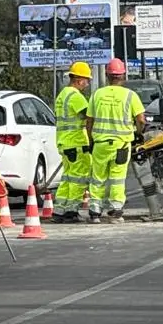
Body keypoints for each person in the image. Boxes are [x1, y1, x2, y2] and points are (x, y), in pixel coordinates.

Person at [85, 58, 146, 223]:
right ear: (123, 76)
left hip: (100, 144)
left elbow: (89, 121)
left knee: (98, 177)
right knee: (117, 178)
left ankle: (95, 210)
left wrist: (90, 139)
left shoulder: (97, 94)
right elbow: (141, 119)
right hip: (121, 144)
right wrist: (139, 133)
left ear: (107, 75)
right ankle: (115, 210)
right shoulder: (130, 96)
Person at [52, 61, 93, 222]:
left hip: (65, 142)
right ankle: (71, 211)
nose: (87, 83)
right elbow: (88, 116)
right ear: (78, 79)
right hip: (76, 143)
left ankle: (59, 210)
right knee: (79, 177)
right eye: (86, 79)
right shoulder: (75, 96)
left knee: (68, 178)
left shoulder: (63, 95)